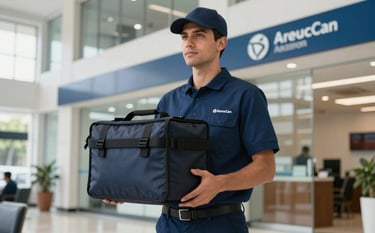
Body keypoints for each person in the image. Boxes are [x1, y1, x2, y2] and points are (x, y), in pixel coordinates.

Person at [104, 7, 279, 233]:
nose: (189, 43)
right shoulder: (168, 101)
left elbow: (266, 168)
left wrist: (220, 184)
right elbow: (154, 163)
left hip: (221, 225)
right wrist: (125, 187)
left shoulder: (245, 96)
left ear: (221, 43)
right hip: (169, 224)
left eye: (199, 35)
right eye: (184, 37)